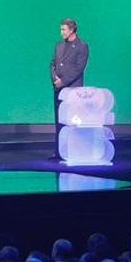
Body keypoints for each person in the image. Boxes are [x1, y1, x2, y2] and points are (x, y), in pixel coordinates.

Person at [50, 17, 89, 160]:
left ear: (72, 30)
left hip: (73, 90)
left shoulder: (82, 46)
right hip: (59, 90)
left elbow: (79, 68)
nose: (61, 32)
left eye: (63, 29)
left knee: (72, 121)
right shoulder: (59, 46)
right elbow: (52, 64)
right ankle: (59, 152)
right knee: (59, 121)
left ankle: (74, 151)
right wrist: (55, 80)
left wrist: (64, 81)